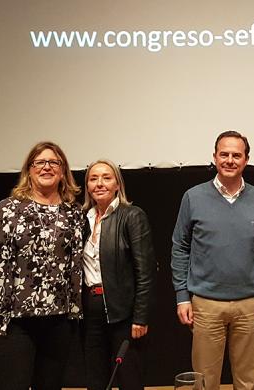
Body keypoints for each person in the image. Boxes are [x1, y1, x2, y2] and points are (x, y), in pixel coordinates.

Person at [0, 141, 83, 390]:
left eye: (54, 162)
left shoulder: (73, 213)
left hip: (59, 322)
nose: (47, 167)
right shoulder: (5, 210)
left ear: (63, 171)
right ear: (29, 170)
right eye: (40, 162)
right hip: (14, 322)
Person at [171, 130, 254, 390]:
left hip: (250, 303)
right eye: (224, 154)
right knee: (204, 381)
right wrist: (182, 296)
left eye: (236, 155)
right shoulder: (193, 196)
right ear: (214, 157)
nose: (229, 160)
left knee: (248, 381)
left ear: (246, 160)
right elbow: (180, 247)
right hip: (206, 305)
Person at [81, 159, 155, 390]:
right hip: (89, 310)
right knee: (95, 379)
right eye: (93, 179)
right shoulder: (82, 219)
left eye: (106, 177)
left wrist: (140, 316)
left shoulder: (132, 216)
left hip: (123, 312)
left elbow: (146, 271)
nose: (99, 183)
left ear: (117, 185)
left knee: (128, 378)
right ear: (87, 186)